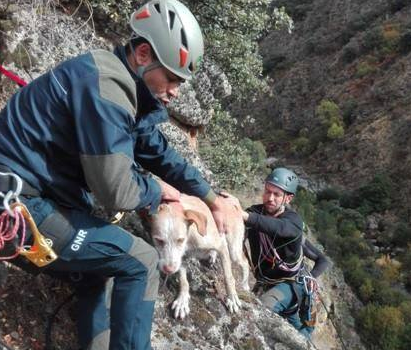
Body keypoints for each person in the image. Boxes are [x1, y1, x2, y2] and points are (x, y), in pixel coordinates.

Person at [0, 1, 236, 349]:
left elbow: (157, 151)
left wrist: (211, 199)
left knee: (103, 268)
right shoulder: (107, 89)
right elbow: (116, 191)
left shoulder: (120, 84)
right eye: (171, 78)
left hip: (29, 198)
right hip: (19, 207)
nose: (175, 91)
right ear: (143, 54)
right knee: (141, 262)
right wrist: (155, 191)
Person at [239, 168, 330, 337]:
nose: (270, 198)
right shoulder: (255, 212)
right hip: (267, 283)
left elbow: (322, 259)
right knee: (294, 326)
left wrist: (310, 277)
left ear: (288, 198)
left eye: (276, 194)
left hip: (292, 284)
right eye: (267, 191)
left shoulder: (292, 222)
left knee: (263, 308)